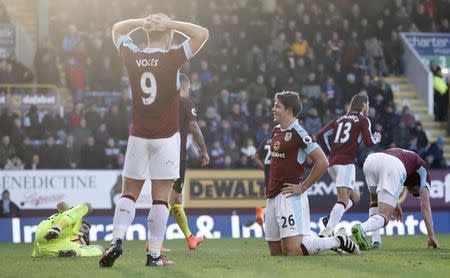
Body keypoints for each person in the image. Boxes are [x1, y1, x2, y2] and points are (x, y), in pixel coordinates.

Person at [100, 13, 208, 268]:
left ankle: (116, 240)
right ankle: (154, 255)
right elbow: (202, 33)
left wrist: (140, 22)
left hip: (138, 136)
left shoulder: (132, 55)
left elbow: (116, 28)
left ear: (147, 34)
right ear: (169, 36)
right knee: (161, 198)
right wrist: (171, 23)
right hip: (167, 138)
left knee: (128, 193)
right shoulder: (172, 59)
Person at [265, 91, 359, 256]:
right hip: (272, 196)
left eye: (277, 106)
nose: (273, 109)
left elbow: (322, 161)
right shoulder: (276, 131)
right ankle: (323, 240)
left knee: (292, 251)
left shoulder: (299, 133)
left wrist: (303, 187)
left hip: (289, 196)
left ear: (289, 110)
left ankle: (337, 240)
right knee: (276, 251)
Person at [145, 73, 209, 251]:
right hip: (175, 157)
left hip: (158, 154)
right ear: (183, 87)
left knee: (176, 198)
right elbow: (194, 127)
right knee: (167, 200)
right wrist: (203, 150)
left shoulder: (159, 104)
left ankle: (190, 238)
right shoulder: (184, 102)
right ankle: (153, 241)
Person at [315, 93, 381, 239]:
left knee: (355, 196)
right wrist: (376, 138)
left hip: (332, 163)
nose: (368, 107)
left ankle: (330, 218)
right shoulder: (363, 120)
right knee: (343, 199)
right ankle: (327, 231)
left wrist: (329, 151)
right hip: (346, 163)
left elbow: (320, 135)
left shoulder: (339, 119)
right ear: (364, 104)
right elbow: (369, 142)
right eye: (368, 104)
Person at [352, 148, 439, 251]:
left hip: (372, 160)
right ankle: (362, 228)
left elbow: (389, 170)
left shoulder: (409, 160)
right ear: (418, 186)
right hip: (392, 164)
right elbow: (425, 206)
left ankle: (376, 241)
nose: (410, 191)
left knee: (374, 200)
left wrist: (395, 203)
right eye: (415, 192)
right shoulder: (425, 175)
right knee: (385, 216)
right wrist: (431, 236)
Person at [32, 202, 105, 257]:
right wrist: (71, 210)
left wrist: (35, 253)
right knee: (87, 206)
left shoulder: (67, 235)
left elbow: (60, 205)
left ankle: (74, 253)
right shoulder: (73, 216)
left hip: (45, 247)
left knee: (100, 248)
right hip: (52, 229)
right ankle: (57, 228)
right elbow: (61, 204)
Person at [251, 135, 271, 226]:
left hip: (268, 178)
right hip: (279, 175)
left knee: (270, 201)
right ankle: (262, 212)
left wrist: (265, 168)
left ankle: (262, 212)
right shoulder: (283, 138)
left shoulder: (267, 140)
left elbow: (254, 157)